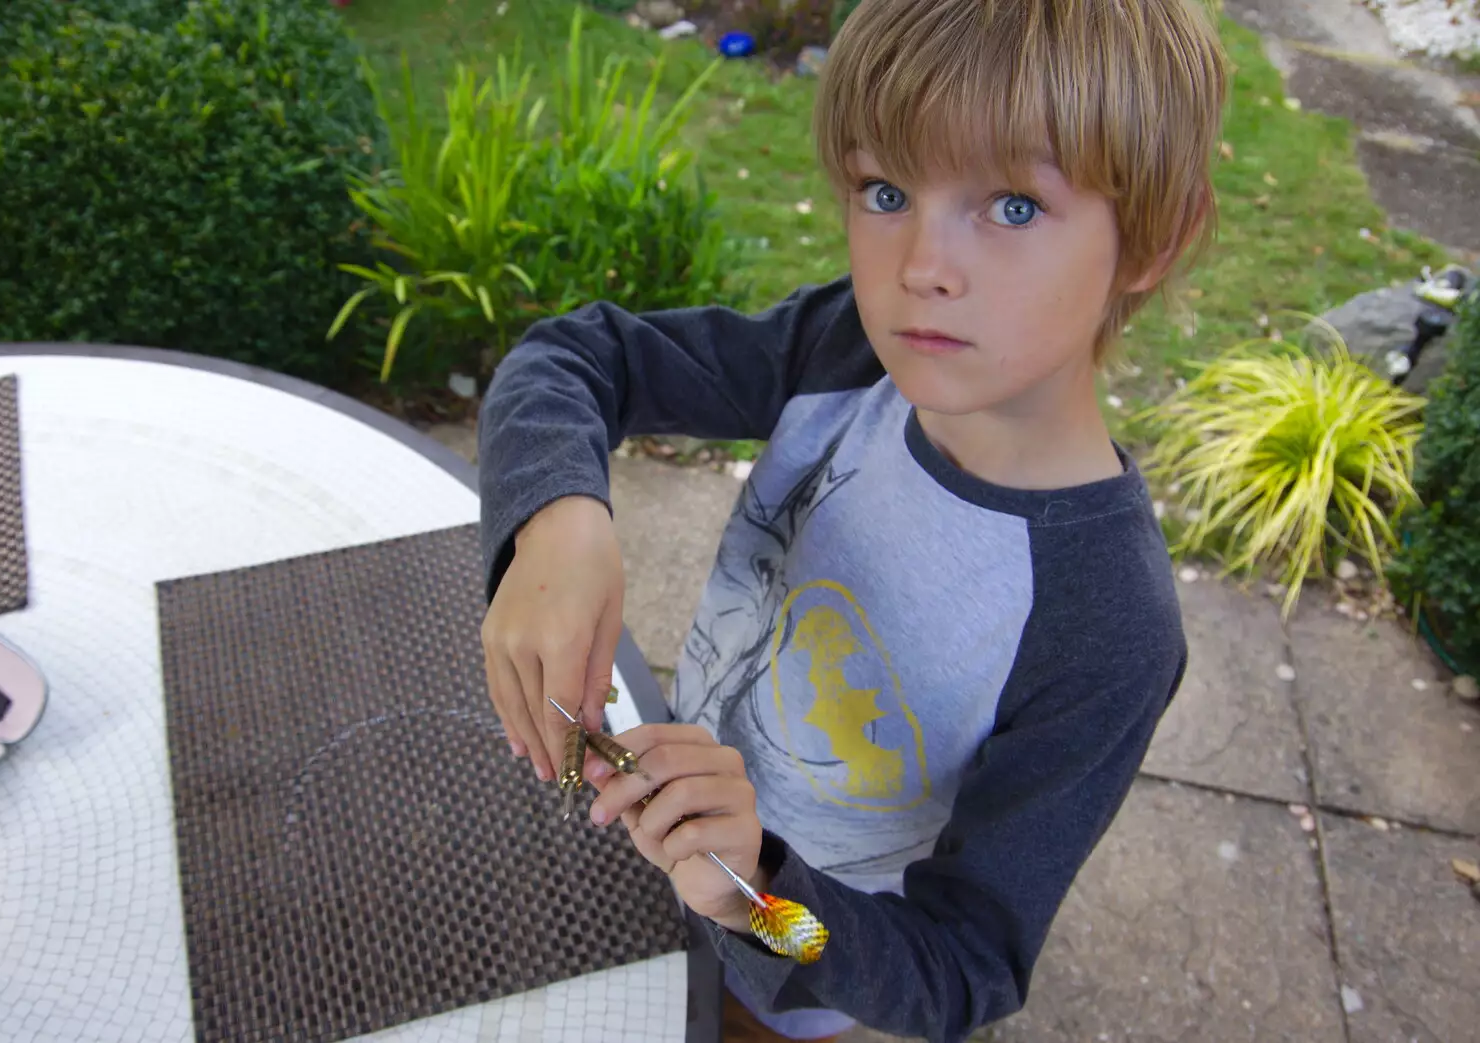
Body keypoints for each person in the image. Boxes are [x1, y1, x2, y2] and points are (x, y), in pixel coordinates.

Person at [475, 0, 1227, 1039]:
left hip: (778, 989)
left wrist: (756, 897)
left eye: (1012, 205)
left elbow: (957, 969)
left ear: (1158, 234)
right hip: (637, 827)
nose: (921, 263)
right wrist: (555, 518)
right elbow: (571, 359)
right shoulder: (848, 351)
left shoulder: (1105, 624)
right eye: (886, 190)